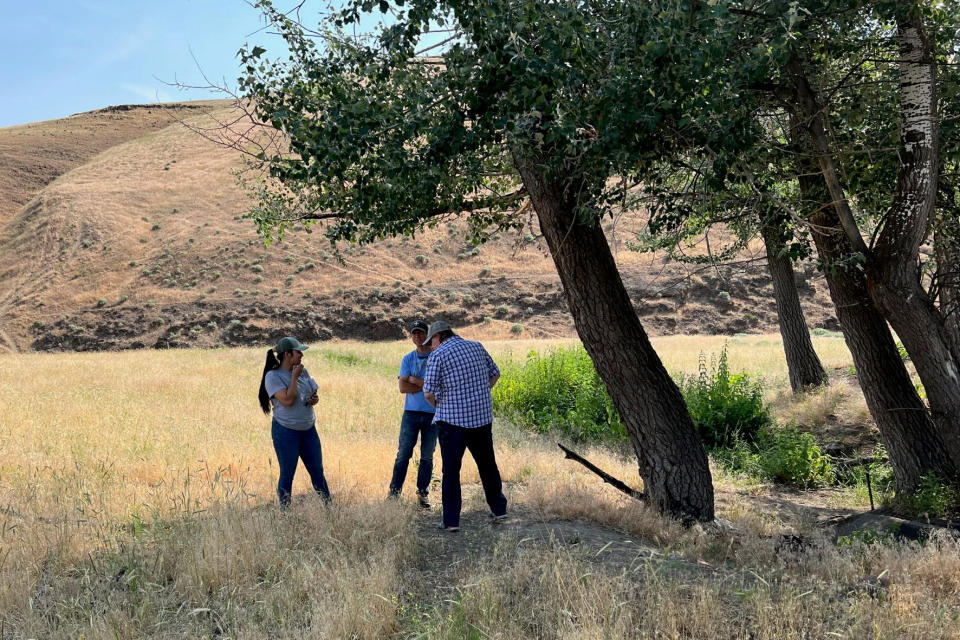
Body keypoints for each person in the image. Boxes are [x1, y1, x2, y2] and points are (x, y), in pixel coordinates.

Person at [422, 320, 507, 532]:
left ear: (438, 337)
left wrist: (441, 406)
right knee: (487, 465)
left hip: (453, 422)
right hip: (481, 419)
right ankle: (499, 509)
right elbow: (495, 373)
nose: (430, 346)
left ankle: (451, 521)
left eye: (430, 342)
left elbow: (429, 393)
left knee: (451, 470)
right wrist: (479, 394)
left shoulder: (438, 355)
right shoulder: (476, 346)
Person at [258, 336, 332, 506]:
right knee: (287, 473)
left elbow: (312, 393)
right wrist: (294, 378)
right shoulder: (273, 376)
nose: (301, 355)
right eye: (298, 352)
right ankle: (286, 513)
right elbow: (288, 400)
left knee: (318, 472)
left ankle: (330, 509)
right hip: (286, 431)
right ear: (287, 355)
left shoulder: (302, 371)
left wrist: (314, 399)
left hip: (308, 430)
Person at [388, 319, 438, 508]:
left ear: (428, 336)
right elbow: (402, 387)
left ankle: (423, 493)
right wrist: (424, 385)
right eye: (414, 333)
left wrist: (414, 381)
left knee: (427, 456)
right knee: (403, 454)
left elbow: (437, 387)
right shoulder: (408, 358)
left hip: (433, 414)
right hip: (411, 413)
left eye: (421, 333)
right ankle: (394, 493)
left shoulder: (436, 357)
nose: (417, 336)